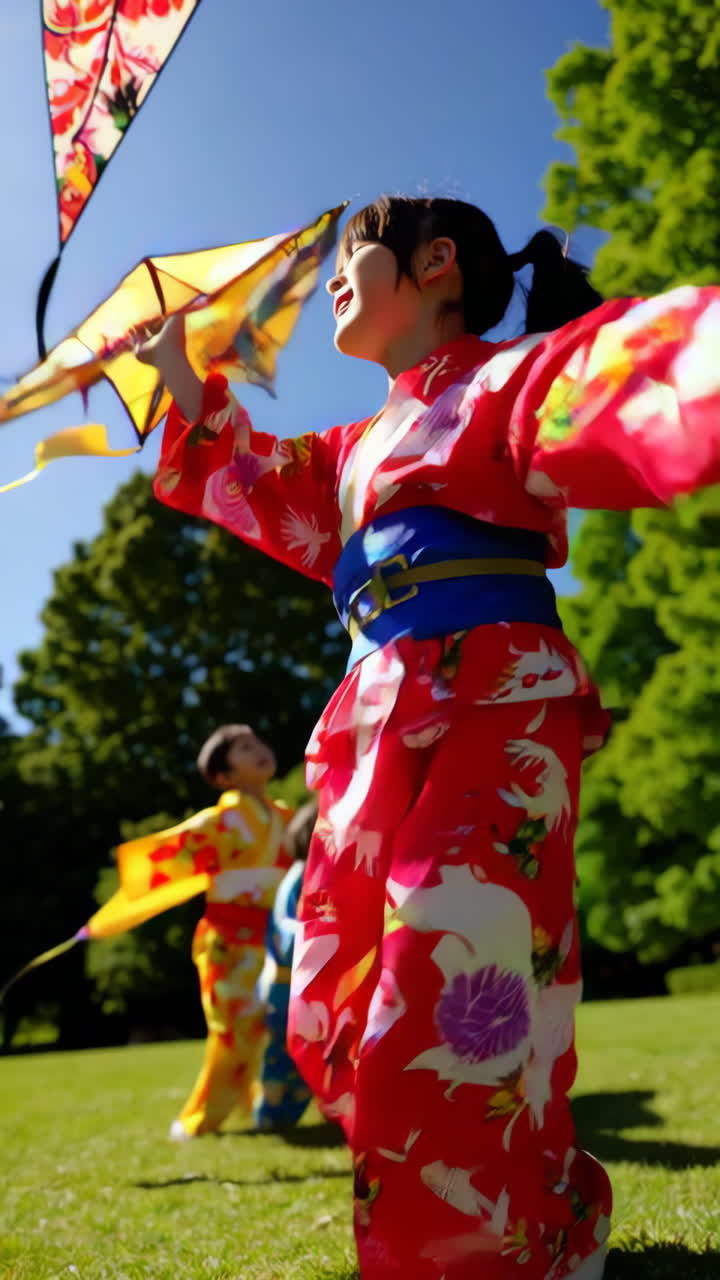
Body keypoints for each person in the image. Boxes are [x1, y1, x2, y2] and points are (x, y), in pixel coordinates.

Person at [138, 195, 720, 1278]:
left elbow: (623, 374)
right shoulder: (357, 447)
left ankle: (475, 1252)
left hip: (496, 698)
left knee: (450, 969)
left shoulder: (510, 377)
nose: (331, 290)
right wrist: (177, 367)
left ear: (436, 262)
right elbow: (258, 480)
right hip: (379, 713)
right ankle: (535, 1220)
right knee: (344, 987)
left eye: (356, 255)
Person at [114, 722, 293, 1141]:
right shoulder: (224, 820)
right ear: (223, 777)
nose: (259, 750)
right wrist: (125, 902)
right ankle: (201, 1119)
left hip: (272, 940)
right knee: (234, 1029)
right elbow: (169, 861)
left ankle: (260, 1105)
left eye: (258, 742)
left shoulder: (284, 816)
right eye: (244, 749)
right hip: (227, 941)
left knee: (272, 1025)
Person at [254, 799, 318, 1132]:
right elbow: (287, 929)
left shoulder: (304, 875)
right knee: (283, 1053)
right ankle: (270, 1114)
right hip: (284, 986)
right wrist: (321, 933)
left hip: (293, 984)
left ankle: (284, 1112)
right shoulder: (297, 876)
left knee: (301, 1053)